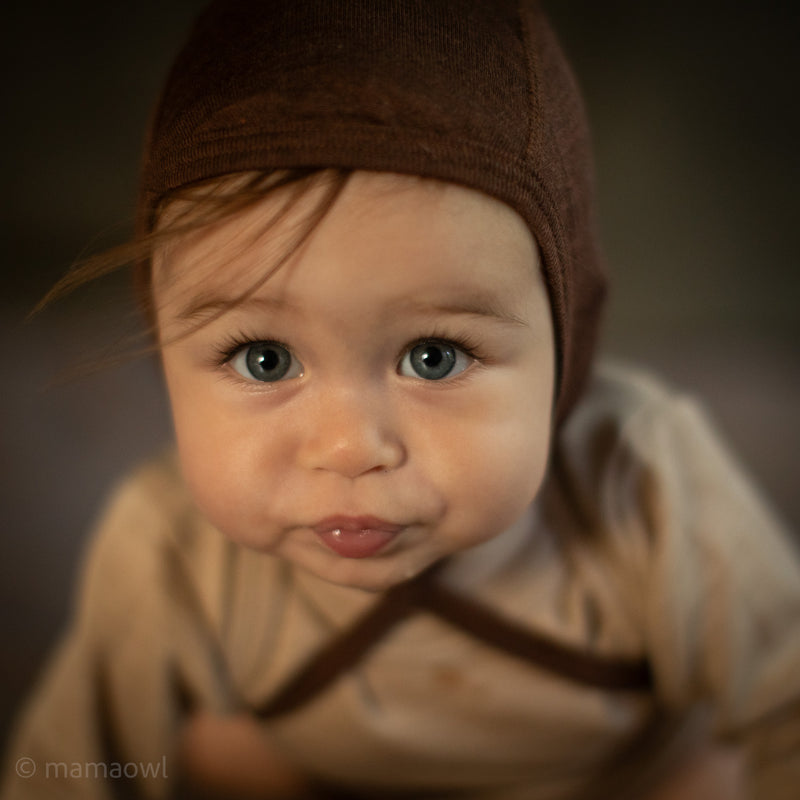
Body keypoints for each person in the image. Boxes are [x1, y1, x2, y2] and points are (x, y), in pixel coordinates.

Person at [3, 1, 798, 798]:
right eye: (265, 358)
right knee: (214, 757)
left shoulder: (643, 480)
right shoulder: (169, 551)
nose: (350, 447)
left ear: (568, 347)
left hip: (610, 779)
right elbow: (64, 770)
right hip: (324, 773)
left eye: (434, 356)